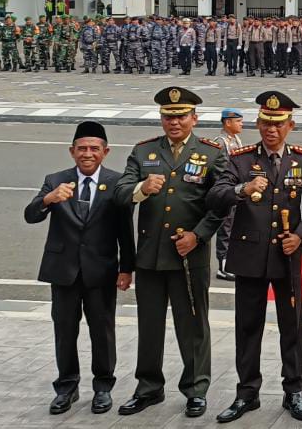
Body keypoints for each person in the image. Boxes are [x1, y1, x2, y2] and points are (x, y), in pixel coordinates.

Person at [208, 91, 302, 423]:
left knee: (292, 325)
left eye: (278, 124)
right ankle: (247, 393)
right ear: (257, 124)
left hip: (286, 256)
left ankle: (294, 390)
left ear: (290, 125)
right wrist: (242, 189)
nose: (270, 130)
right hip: (248, 255)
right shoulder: (241, 159)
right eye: (264, 123)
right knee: (247, 327)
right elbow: (217, 195)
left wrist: (300, 235)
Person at [113, 87, 227, 418]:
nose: (174, 121)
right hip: (149, 255)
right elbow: (119, 194)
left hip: (189, 255)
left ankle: (195, 388)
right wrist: (140, 189)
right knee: (149, 325)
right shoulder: (144, 151)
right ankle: (148, 387)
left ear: (194, 118)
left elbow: (220, 206)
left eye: (180, 116)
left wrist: (199, 235)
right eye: (168, 116)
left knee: (192, 325)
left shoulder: (211, 153)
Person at [24, 120, 135, 416]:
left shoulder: (117, 183)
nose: (88, 154)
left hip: (101, 270)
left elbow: (126, 231)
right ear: (72, 151)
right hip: (63, 270)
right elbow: (30, 215)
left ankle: (103, 387)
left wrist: (127, 268)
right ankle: (66, 387)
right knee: (64, 330)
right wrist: (49, 199)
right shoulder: (55, 179)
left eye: (94, 149)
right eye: (82, 148)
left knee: (102, 331)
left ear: (105, 151)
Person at [213, 108, 246, 281]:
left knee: (233, 227)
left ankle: (231, 262)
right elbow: (218, 169)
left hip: (236, 190)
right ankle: (222, 266)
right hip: (226, 191)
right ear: (227, 122)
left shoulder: (236, 139)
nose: (241, 124)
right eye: (238, 121)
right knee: (225, 228)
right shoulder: (221, 142)